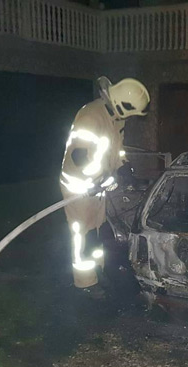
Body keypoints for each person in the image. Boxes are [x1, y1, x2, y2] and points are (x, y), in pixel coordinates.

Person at [60, 77, 150, 297]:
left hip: (98, 187)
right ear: (122, 104)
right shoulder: (91, 116)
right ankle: (85, 283)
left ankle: (97, 271)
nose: (129, 117)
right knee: (83, 234)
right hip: (79, 187)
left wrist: (123, 166)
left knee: (98, 229)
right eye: (130, 113)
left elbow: (115, 148)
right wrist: (98, 179)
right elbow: (79, 156)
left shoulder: (115, 119)